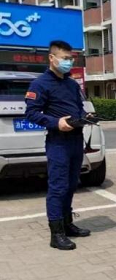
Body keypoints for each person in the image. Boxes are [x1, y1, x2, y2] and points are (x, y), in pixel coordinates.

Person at [25, 40, 92, 250]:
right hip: (58, 142)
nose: (68, 62)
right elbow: (31, 113)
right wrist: (56, 123)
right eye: (65, 58)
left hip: (76, 140)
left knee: (71, 184)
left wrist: (86, 116)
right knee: (58, 187)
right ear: (52, 58)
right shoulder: (40, 84)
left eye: (71, 58)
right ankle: (56, 234)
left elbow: (78, 107)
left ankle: (67, 223)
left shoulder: (71, 84)